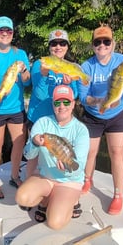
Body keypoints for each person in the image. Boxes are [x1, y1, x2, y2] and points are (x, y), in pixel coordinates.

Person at [78, 25, 123, 215]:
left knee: (117, 153)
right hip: (93, 115)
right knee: (89, 152)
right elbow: (83, 97)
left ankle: (118, 196)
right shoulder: (87, 66)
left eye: (106, 41)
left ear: (113, 44)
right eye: (97, 42)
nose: (102, 45)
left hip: (117, 115)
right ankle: (87, 180)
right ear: (93, 45)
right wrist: (100, 102)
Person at [15, 85, 89, 230]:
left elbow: (78, 167)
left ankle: (72, 200)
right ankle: (49, 199)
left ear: (73, 104)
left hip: (69, 181)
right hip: (45, 176)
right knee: (22, 198)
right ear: (53, 104)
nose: (62, 106)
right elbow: (28, 155)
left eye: (66, 102)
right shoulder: (42, 123)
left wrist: (68, 168)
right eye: (57, 103)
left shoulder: (81, 130)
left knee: (54, 223)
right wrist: (35, 143)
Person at [0, 16, 31, 199]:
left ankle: (14, 175)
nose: (5, 34)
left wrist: (24, 70)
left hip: (16, 108)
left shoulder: (21, 54)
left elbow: (26, 83)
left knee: (19, 142)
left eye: (8, 31)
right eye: (1, 31)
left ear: (12, 33)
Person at [26, 29, 78, 176]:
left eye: (62, 43)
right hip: (38, 118)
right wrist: (43, 75)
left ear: (67, 46)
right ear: (49, 46)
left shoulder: (70, 66)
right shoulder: (40, 64)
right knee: (34, 155)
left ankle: (56, 184)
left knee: (58, 156)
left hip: (59, 121)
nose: (58, 47)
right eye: (54, 43)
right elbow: (40, 94)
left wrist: (69, 84)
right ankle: (29, 184)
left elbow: (75, 94)